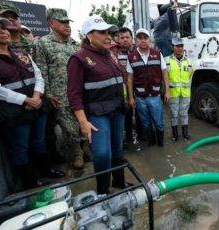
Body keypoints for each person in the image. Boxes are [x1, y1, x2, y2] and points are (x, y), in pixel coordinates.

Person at [0, 12, 65, 190]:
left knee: (39, 141)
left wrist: (35, 96)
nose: (2, 31)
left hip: (36, 105)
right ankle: (30, 182)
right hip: (13, 112)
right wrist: (25, 99)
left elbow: (38, 75)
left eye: (3, 27)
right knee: (20, 147)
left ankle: (46, 170)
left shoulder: (21, 52)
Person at [67, 15, 126, 194]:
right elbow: (74, 94)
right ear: (89, 35)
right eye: (102, 32)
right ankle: (103, 192)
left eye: (109, 32)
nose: (108, 36)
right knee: (102, 154)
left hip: (118, 110)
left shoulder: (109, 55)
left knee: (117, 150)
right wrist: (83, 122)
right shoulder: (79, 58)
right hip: (98, 114)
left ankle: (120, 184)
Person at [35, 8, 93, 169]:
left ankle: (86, 148)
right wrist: (48, 93)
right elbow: (40, 70)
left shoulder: (75, 45)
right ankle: (76, 154)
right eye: (62, 22)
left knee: (83, 123)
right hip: (59, 95)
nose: (67, 25)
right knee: (69, 128)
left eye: (68, 22)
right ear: (51, 23)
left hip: (80, 94)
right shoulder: (42, 43)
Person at [127, 28, 170, 147]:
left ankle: (160, 145)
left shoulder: (157, 54)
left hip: (155, 97)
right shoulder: (131, 57)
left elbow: (164, 73)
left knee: (159, 123)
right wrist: (131, 98)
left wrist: (167, 92)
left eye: (145, 38)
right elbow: (129, 79)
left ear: (149, 40)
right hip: (140, 98)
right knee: (145, 123)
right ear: (136, 41)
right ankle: (152, 143)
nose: (143, 40)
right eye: (140, 38)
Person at [116, 27, 143, 145]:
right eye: (122, 38)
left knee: (140, 112)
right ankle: (128, 136)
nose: (125, 40)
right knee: (126, 113)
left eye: (127, 37)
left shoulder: (139, 52)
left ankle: (141, 135)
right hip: (123, 89)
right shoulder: (114, 53)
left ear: (132, 39)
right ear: (118, 39)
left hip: (138, 87)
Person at [166, 37, 194, 141]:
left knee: (184, 114)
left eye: (181, 46)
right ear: (173, 47)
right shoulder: (167, 60)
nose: (179, 48)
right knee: (174, 114)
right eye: (177, 46)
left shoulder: (189, 61)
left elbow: (191, 75)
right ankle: (175, 135)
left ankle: (185, 134)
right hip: (173, 93)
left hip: (186, 93)